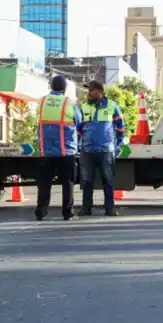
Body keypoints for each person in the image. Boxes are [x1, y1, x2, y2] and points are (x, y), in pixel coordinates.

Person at [35, 74, 81, 221]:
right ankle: (67, 213)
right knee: (67, 183)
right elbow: (79, 122)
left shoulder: (41, 101)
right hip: (65, 151)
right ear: (64, 88)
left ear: (51, 86)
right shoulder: (69, 103)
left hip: (46, 150)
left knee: (44, 183)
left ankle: (40, 212)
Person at [77, 80, 125, 217]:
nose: (89, 93)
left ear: (100, 91)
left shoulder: (112, 106)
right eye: (88, 90)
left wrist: (116, 145)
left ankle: (109, 209)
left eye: (92, 90)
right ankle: (86, 209)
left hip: (105, 151)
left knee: (108, 181)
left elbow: (120, 127)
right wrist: (80, 145)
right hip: (87, 150)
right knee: (87, 181)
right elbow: (79, 129)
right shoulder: (84, 107)